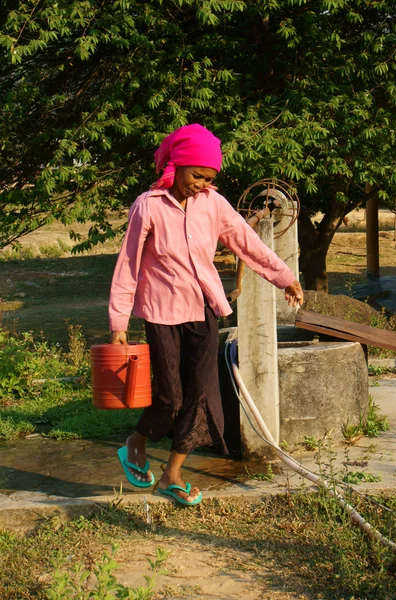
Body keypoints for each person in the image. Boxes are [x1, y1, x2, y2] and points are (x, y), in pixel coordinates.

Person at [109, 123, 303, 506]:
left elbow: (246, 243)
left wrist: (284, 277)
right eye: (197, 174)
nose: (201, 183)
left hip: (203, 310)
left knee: (200, 393)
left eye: (209, 177)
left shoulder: (214, 204)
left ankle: (172, 475)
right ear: (175, 164)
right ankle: (137, 441)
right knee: (169, 396)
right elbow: (128, 264)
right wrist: (118, 322)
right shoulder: (148, 206)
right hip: (161, 314)